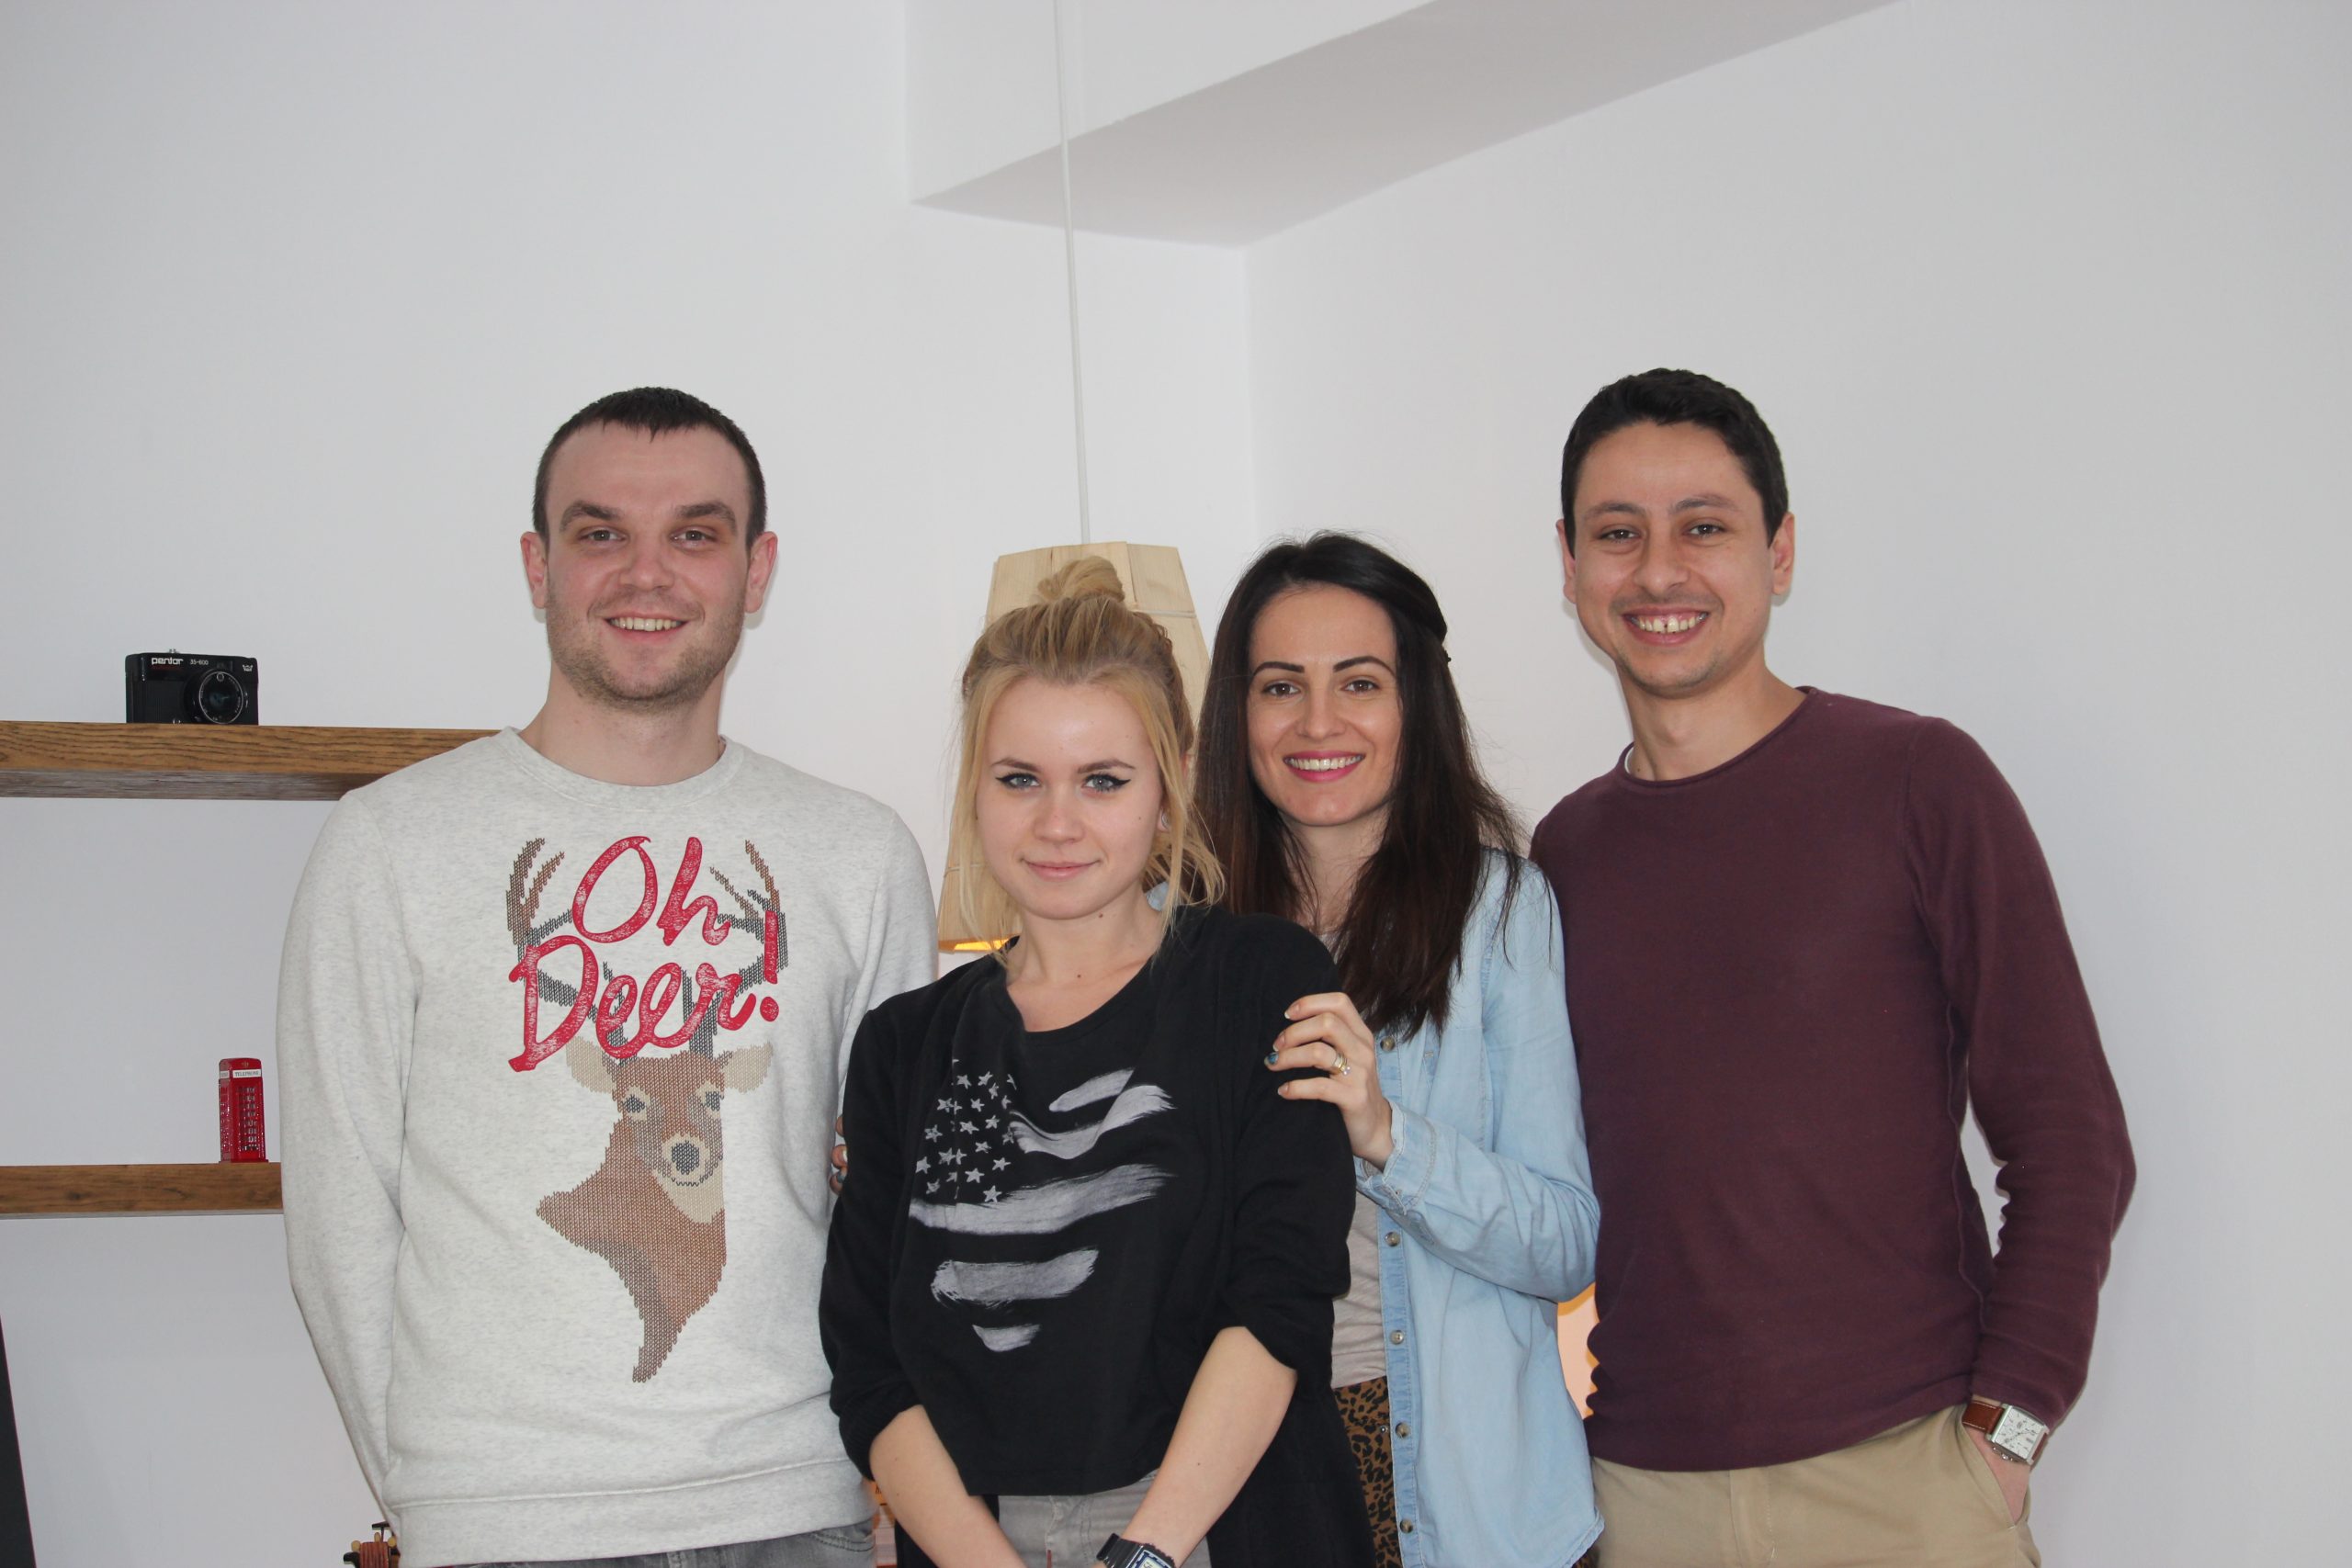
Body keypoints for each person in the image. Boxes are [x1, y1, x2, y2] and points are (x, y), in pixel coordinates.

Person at [278, 388, 933, 1568]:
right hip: (502, 1522)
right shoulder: (389, 846)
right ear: (538, 567)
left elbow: (885, 1206)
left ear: (755, 570)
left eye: (694, 533)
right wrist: (434, 1495)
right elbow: (339, 1211)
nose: (647, 573)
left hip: (795, 1507)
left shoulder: (861, 856)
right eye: (600, 534)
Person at [1532, 368, 2135, 1568]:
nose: (1659, 571)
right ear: (1570, 564)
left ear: (1780, 551)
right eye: (1618, 533)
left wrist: (2008, 1430)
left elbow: (2072, 1137)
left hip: (1906, 1481)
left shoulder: (1917, 780)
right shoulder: (1563, 854)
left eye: (1704, 526)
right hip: (1645, 1491)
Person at [820, 558, 1372, 1568]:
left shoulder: (1262, 981)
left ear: (1169, 789)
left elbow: (1280, 1299)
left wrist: (1145, 1555)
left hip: (1213, 1531)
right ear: (975, 790)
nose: (1057, 823)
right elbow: (868, 1363)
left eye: (1104, 781)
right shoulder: (904, 1044)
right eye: (1019, 779)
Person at [1197, 533, 1603, 1568]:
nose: (1317, 722)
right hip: (1246, 1464)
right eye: (1280, 686)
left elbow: (1567, 1241)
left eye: (1359, 683)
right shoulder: (1178, 934)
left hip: (1469, 1496)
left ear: (1415, 704)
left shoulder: (1499, 912)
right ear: (1237, 714)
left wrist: (1385, 1135)